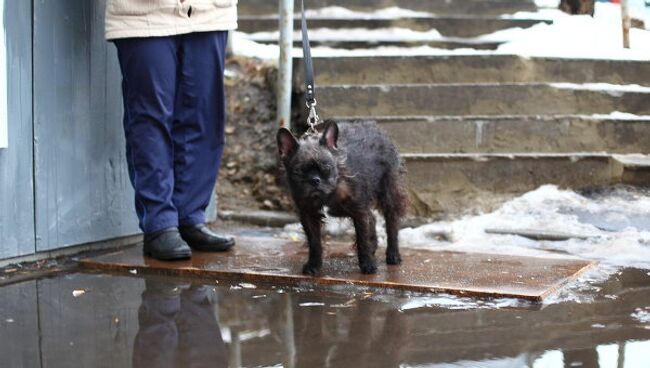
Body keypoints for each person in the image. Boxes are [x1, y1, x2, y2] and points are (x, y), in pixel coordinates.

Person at [105, 0, 237, 260]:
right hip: (143, 13)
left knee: (204, 115)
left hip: (209, 11)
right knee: (150, 118)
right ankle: (159, 223)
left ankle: (190, 216)